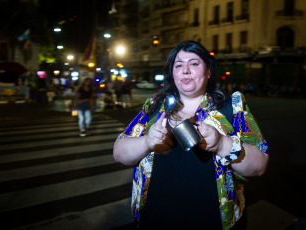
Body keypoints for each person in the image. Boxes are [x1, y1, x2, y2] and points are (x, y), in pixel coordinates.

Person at [113, 41, 269, 230]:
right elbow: (119, 153)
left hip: (214, 222)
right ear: (173, 73)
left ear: (208, 71)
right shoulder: (154, 107)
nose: (185, 70)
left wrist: (222, 144)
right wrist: (147, 142)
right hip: (156, 219)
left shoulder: (232, 108)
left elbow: (259, 166)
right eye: (178, 65)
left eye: (194, 63)